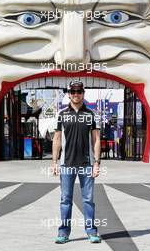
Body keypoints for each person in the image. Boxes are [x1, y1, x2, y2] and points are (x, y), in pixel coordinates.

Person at [52, 80, 101, 244]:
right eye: (72, 92)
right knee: (65, 200)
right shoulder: (62, 114)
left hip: (86, 165)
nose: (75, 94)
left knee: (88, 200)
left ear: (83, 93)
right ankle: (64, 232)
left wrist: (97, 163)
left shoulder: (90, 115)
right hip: (66, 165)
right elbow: (57, 139)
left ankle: (92, 231)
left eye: (79, 91)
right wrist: (54, 162)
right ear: (68, 94)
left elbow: (96, 139)